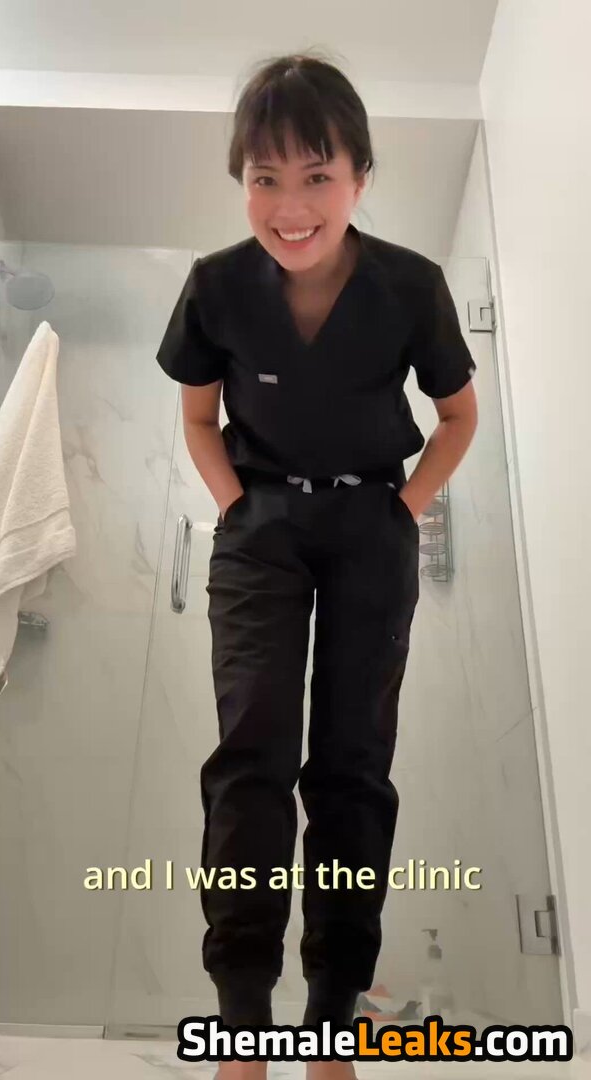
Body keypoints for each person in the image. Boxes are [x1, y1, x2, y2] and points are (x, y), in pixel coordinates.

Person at [156, 50, 478, 1080]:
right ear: (241, 180)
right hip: (260, 531)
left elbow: (457, 417)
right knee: (250, 758)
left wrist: (400, 512)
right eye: (265, 178)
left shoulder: (410, 286)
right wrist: (237, 508)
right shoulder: (215, 286)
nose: (289, 207)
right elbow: (198, 419)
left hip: (368, 528)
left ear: (359, 177)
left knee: (351, 767)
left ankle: (332, 1018)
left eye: (316, 176)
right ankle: (244, 1020)